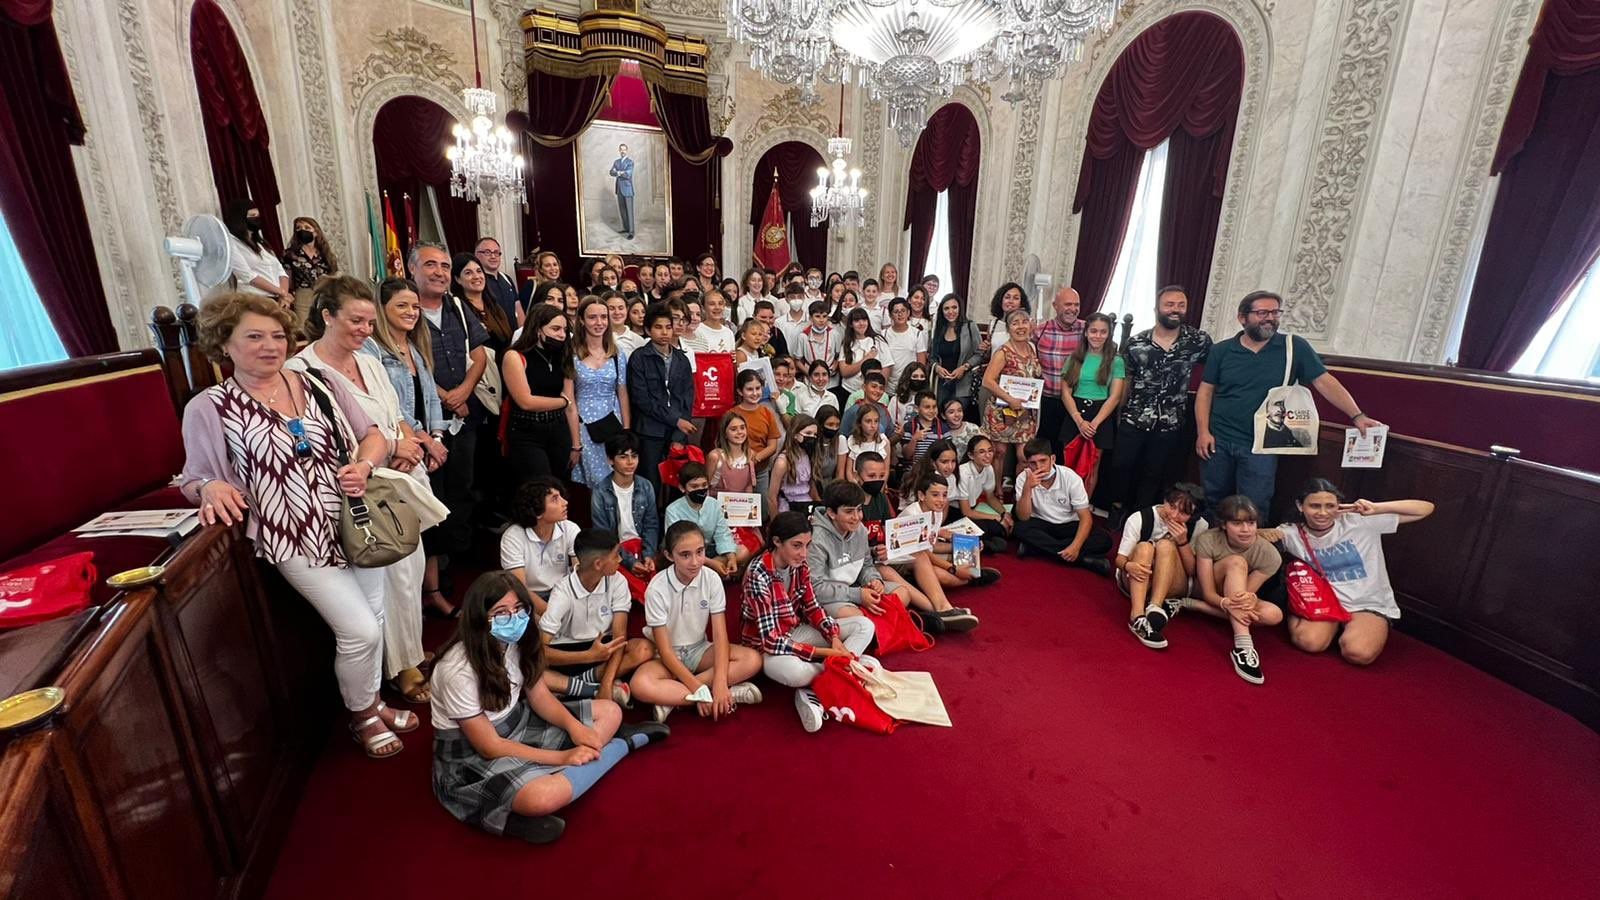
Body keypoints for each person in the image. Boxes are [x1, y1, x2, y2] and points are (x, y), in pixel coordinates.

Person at [181, 292, 408, 758]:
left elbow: (372, 435)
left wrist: (363, 467)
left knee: (376, 617)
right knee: (360, 630)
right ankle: (361, 714)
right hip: (292, 537)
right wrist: (208, 488)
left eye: (278, 335)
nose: (270, 345)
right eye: (255, 336)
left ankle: (375, 701)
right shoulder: (209, 406)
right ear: (225, 343)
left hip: (354, 521)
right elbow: (194, 475)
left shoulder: (320, 382)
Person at [431, 571, 667, 844]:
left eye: (519, 609)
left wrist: (575, 728)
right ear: (478, 618)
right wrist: (563, 757)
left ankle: (552, 780)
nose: (514, 618)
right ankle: (622, 745)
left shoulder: (517, 641)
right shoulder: (456, 670)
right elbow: (489, 747)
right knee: (541, 799)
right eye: (501, 612)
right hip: (473, 751)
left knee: (611, 711)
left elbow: (539, 696)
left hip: (518, 721)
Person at [292, 276, 434, 704]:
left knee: (410, 570)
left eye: (370, 323)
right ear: (326, 316)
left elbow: (395, 415)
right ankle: (395, 670)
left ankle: (407, 651)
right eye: (356, 321)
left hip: (402, 478)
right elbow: (326, 439)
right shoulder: (302, 371)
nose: (364, 331)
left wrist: (410, 445)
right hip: (361, 490)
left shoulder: (369, 361)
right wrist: (390, 449)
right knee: (384, 576)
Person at [1196, 290, 1383, 516]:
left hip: (1263, 445)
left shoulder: (1294, 347)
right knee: (1214, 500)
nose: (1270, 318)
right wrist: (1203, 432)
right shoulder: (1221, 350)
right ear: (1242, 318)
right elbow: (1205, 392)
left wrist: (1357, 416)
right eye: (1262, 312)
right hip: (1220, 440)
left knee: (1254, 506)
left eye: (1275, 312)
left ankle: (1251, 551)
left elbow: (1324, 382)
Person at [365, 277, 455, 618]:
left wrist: (438, 436)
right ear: (382, 309)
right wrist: (425, 440)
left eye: (415, 306)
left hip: (429, 446)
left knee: (434, 526)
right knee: (411, 530)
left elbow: (430, 398)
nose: (411, 312)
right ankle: (412, 603)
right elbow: (391, 406)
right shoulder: (373, 350)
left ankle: (431, 593)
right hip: (401, 451)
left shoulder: (416, 347)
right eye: (401, 305)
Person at [740, 510, 876, 732]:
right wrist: (829, 654)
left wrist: (833, 636)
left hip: (796, 632)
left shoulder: (800, 565)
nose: (804, 553)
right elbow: (771, 641)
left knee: (865, 625)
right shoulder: (758, 573)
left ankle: (826, 681)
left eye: (808, 545)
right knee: (797, 673)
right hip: (767, 650)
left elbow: (813, 607)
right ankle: (845, 670)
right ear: (776, 542)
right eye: (796, 545)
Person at [1277, 479, 1434, 666]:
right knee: (1309, 642)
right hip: (1324, 600)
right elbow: (1255, 538)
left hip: (1366, 602)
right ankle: (1310, 618)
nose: (1323, 513)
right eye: (1314, 506)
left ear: (1339, 506)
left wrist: (1376, 508)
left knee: (1358, 653)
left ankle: (1350, 631)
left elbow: (1425, 508)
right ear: (1300, 506)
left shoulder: (1361, 522)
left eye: (1330, 506)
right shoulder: (1290, 532)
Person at [631, 522, 765, 723]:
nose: (695, 562)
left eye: (700, 552)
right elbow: (666, 651)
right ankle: (727, 695)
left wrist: (719, 682)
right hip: (666, 657)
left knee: (753, 660)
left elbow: (720, 636)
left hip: (699, 650)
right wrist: (698, 689)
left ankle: (675, 699)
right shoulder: (657, 588)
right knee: (639, 685)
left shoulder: (711, 579)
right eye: (685, 555)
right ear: (669, 555)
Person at [414, 242, 488, 576]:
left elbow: (481, 353)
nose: (440, 272)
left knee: (464, 487)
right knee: (431, 494)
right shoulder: (405, 309)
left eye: (445, 266)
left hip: (465, 416)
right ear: (413, 269)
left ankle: (460, 561)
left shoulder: (458, 306)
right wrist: (445, 395)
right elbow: (406, 362)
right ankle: (434, 568)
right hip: (426, 421)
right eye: (431, 265)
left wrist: (464, 390)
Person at [1110, 285, 1214, 519]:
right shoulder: (1136, 343)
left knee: (1155, 473)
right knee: (1121, 466)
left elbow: (1215, 371)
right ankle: (1117, 508)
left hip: (1171, 422)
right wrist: (1118, 413)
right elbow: (1125, 379)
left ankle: (1142, 515)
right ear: (1157, 308)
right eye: (1170, 305)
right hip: (1134, 417)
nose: (1175, 310)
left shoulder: (1198, 340)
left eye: (1181, 305)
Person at [538, 529, 653, 706]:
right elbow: (541, 651)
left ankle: (577, 687)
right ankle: (591, 689)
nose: (620, 560)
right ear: (598, 564)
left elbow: (619, 637)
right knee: (532, 672)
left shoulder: (618, 581)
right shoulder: (563, 591)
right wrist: (588, 656)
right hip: (570, 653)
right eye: (616, 555)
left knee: (644, 649)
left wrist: (606, 682)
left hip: (606, 650)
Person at [1190, 495, 1284, 684]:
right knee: (1237, 562)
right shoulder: (1208, 539)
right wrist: (1226, 603)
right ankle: (1243, 646)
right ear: (1224, 525)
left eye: (1251, 523)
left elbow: (1245, 597)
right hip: (1206, 590)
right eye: (1237, 523)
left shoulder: (1270, 555)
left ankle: (1193, 606)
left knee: (1274, 614)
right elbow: (1208, 593)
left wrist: (1246, 601)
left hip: (1233, 597)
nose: (1246, 530)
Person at [1115, 484, 1206, 650]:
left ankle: (1155, 608)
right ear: (1165, 501)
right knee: (1144, 547)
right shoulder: (1140, 518)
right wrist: (1129, 566)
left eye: (1184, 513)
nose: (1174, 515)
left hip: (1172, 583)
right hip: (1137, 579)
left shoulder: (1200, 526)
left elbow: (1192, 572)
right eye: (1171, 507)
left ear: (1192, 516)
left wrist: (1182, 542)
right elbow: (1119, 560)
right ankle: (1137, 616)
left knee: (1165, 546)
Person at [1012, 438, 1112, 574]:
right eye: (1033, 463)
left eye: (1043, 461)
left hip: (1068, 524)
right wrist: (1027, 489)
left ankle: (1037, 549)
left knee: (1104, 540)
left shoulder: (1070, 478)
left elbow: (1085, 517)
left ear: (1052, 459)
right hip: (1041, 523)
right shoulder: (1023, 478)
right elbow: (1023, 517)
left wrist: (1075, 547)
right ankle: (1085, 561)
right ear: (1027, 464)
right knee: (1019, 529)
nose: (1038, 467)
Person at [626, 303, 696, 494]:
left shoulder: (682, 359)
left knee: (679, 484)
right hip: (649, 430)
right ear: (648, 330)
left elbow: (688, 398)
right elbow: (642, 400)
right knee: (650, 484)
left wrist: (680, 432)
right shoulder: (639, 357)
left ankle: (676, 522)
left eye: (668, 327)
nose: (664, 332)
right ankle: (650, 523)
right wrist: (676, 420)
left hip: (677, 430)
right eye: (658, 327)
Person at [503, 305, 573, 488]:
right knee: (539, 490)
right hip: (527, 432)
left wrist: (576, 444)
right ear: (537, 329)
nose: (562, 335)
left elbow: (571, 404)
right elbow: (526, 401)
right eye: (555, 329)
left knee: (560, 487)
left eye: (565, 330)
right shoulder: (515, 356)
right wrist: (562, 402)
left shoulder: (563, 356)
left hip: (559, 430)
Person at [566, 296, 631, 490]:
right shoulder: (571, 354)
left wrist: (626, 432)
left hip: (613, 423)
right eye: (593, 317)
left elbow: (623, 393)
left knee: (618, 482)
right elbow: (569, 400)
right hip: (585, 427)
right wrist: (576, 442)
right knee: (596, 484)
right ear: (582, 320)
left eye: (604, 316)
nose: (599, 322)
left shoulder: (617, 353)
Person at [1061, 312, 1125, 497]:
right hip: (1075, 412)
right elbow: (1065, 391)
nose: (1098, 336)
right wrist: (1079, 420)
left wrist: (1095, 423)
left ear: (1109, 334)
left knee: (1092, 464)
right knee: (1069, 461)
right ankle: (1064, 503)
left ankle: (1083, 505)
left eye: (1103, 332)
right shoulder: (1075, 358)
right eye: (1094, 331)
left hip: (1101, 414)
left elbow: (1115, 396)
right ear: (1086, 333)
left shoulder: (1116, 361)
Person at [590, 433, 659, 602]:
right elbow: (604, 535)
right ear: (610, 460)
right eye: (623, 457)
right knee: (633, 589)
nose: (630, 462)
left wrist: (648, 554)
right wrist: (628, 561)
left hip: (642, 548)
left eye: (634, 456)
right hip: (616, 551)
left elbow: (651, 525)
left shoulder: (645, 486)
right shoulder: (600, 492)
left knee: (656, 588)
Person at [981, 308, 1043, 488]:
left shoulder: (1032, 348)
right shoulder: (1003, 352)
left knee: (1024, 455)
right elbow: (988, 380)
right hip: (1001, 410)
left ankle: (1020, 491)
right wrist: (1010, 399)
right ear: (1008, 329)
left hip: (1025, 411)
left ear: (1030, 325)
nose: (1020, 327)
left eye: (1024, 322)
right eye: (1015, 323)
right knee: (999, 452)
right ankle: (997, 490)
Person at [500, 477, 581, 607]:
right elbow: (521, 589)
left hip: (563, 592)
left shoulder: (570, 528)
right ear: (537, 512)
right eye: (555, 499)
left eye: (561, 496)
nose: (565, 502)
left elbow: (580, 573)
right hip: (528, 595)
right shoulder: (512, 537)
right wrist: (550, 615)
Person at [663, 462, 745, 578]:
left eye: (704, 485)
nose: (700, 490)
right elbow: (677, 545)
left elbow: (723, 534)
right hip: (688, 554)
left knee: (742, 552)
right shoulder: (672, 510)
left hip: (710, 549)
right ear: (682, 488)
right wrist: (712, 563)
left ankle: (710, 571)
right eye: (694, 486)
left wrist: (731, 557)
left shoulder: (714, 504)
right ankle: (710, 571)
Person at [705, 411, 766, 560]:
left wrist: (753, 522)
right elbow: (705, 489)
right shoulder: (715, 456)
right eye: (733, 429)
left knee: (759, 545)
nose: (739, 432)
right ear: (724, 434)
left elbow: (748, 490)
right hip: (717, 516)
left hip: (741, 516)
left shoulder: (751, 455)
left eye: (742, 428)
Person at [1034, 286, 1084, 459]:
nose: (1073, 309)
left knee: (1068, 449)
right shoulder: (1039, 331)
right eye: (1068, 304)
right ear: (1055, 306)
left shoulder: (1086, 331)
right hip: (1046, 400)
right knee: (1045, 447)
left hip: (1074, 401)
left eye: (1076, 305)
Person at [222, 199, 291, 308]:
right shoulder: (232, 243)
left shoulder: (261, 243)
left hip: (277, 299)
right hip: (254, 299)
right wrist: (281, 292)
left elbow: (280, 271)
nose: (257, 218)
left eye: (258, 215)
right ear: (240, 219)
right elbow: (247, 275)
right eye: (253, 215)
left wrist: (283, 295)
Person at [730, 369, 783, 496]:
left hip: (761, 471)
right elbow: (723, 444)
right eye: (749, 389)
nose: (755, 393)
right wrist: (743, 460)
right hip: (736, 470)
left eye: (758, 388)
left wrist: (755, 459)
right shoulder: (731, 414)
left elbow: (772, 446)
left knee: (762, 510)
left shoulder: (767, 413)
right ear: (739, 391)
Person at [953, 434, 1010, 552]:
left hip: (973, 511)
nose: (988, 455)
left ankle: (984, 543)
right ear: (970, 455)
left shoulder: (988, 468)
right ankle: (984, 546)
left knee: (1002, 527)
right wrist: (997, 517)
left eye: (990, 451)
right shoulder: (963, 472)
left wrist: (1004, 514)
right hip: (957, 513)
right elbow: (966, 512)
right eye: (982, 452)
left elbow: (990, 497)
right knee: (986, 527)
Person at [282, 215, 336, 333]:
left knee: (328, 329)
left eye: (307, 227)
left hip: (325, 295)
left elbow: (333, 274)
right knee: (305, 330)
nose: (302, 230)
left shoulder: (325, 253)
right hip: (303, 296)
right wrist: (286, 296)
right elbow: (286, 278)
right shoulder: (290, 254)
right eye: (298, 228)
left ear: (316, 232)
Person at [930, 293, 984, 411]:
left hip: (964, 385)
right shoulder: (939, 329)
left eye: (954, 307)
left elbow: (980, 354)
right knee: (942, 419)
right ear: (942, 311)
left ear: (960, 308)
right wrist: (937, 368)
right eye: (946, 308)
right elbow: (932, 356)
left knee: (958, 419)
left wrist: (964, 367)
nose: (951, 311)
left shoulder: (970, 326)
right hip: (942, 385)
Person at [453, 253, 514, 355]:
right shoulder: (458, 310)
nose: (476, 276)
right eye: (468, 273)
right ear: (457, 279)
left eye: (479, 271)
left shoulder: (494, 305)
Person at [767, 413, 821, 514]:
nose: (812, 438)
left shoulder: (809, 455)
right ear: (795, 434)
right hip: (788, 508)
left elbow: (812, 489)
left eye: (815, 435)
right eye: (808, 433)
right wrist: (775, 523)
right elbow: (772, 497)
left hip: (807, 507)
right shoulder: (783, 461)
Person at [837, 307, 885, 401]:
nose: (861, 323)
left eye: (864, 319)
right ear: (851, 324)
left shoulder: (878, 341)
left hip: (873, 394)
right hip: (848, 391)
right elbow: (844, 371)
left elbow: (886, 368)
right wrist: (866, 359)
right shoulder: (846, 344)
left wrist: (878, 389)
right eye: (857, 320)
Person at [836, 404, 891, 482]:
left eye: (876, 421)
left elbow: (886, 471)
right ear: (859, 423)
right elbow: (849, 472)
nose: (873, 425)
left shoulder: (884, 442)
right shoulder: (852, 441)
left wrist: (880, 488)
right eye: (868, 421)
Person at [475, 237, 519, 324]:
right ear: (476, 254)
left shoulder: (507, 279)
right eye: (487, 252)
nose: (493, 256)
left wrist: (523, 333)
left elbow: (518, 308)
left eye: (496, 252)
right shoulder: (477, 282)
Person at [838, 370, 891, 440]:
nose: (878, 391)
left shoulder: (884, 410)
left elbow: (890, 436)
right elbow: (842, 437)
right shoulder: (853, 411)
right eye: (874, 386)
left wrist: (899, 435)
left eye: (881, 388)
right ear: (864, 387)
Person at [986, 281, 1031, 354]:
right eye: (1007, 297)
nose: (1011, 301)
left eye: (1016, 298)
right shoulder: (993, 324)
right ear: (1001, 300)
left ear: (1021, 303)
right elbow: (990, 350)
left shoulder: (1028, 324)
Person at [693, 287, 737, 352]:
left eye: (720, 304)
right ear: (703, 308)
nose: (717, 307)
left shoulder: (729, 333)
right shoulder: (697, 330)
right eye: (712, 304)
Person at [605, 291, 646, 355]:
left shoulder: (638, 341)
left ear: (627, 309)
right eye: (611, 308)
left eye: (621, 308)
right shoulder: (599, 338)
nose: (617, 312)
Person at [609, 143, 635, 239]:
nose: (623, 151)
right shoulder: (616, 162)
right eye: (621, 149)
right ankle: (625, 228)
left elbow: (628, 174)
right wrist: (620, 172)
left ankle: (631, 232)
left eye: (624, 149)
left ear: (627, 150)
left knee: (629, 211)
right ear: (619, 150)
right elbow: (611, 172)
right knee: (622, 210)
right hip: (619, 189)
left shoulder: (630, 162)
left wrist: (618, 172)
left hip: (628, 190)